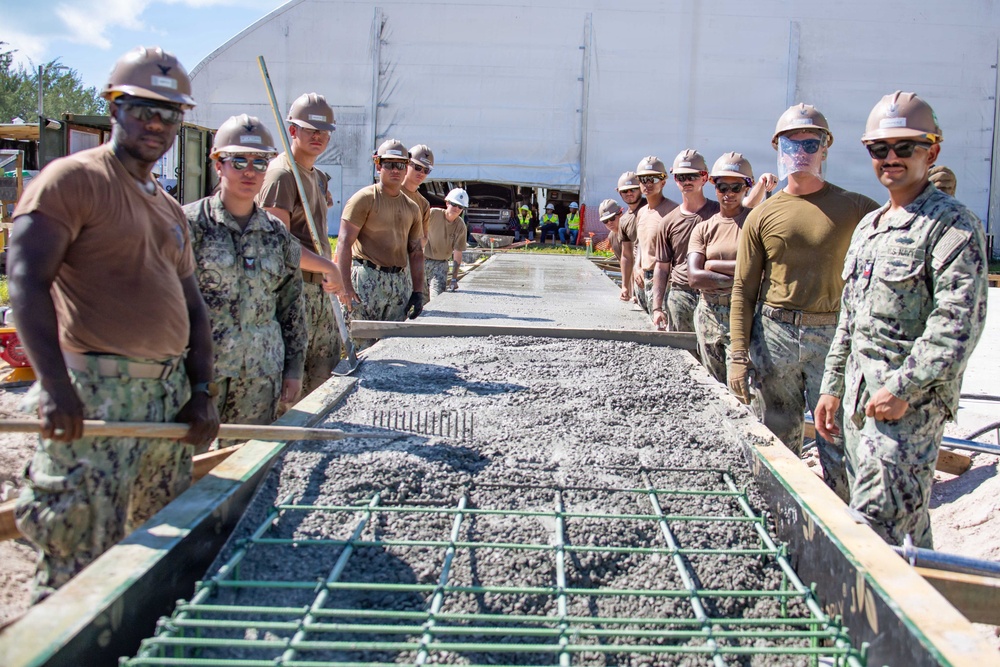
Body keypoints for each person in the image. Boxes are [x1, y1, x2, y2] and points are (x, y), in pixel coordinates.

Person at [7, 46, 219, 602]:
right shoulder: (71, 181)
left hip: (163, 399)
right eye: (140, 108)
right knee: (76, 551)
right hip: (95, 396)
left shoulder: (169, 208)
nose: (154, 123)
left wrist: (200, 391)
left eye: (168, 114)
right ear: (113, 109)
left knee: (150, 547)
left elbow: (193, 307)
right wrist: (54, 388)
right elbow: (27, 283)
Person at [814, 92, 988, 547]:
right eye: (879, 149)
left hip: (905, 414)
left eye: (904, 148)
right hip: (857, 406)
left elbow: (957, 325)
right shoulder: (870, 228)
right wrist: (832, 387)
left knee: (879, 531)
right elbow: (848, 319)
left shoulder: (952, 226)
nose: (890, 158)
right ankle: (929, 614)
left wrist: (902, 389)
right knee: (899, 531)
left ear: (932, 151)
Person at [729, 103, 879, 501]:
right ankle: (783, 518)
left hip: (832, 337)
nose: (801, 151)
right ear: (777, 147)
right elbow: (744, 290)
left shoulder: (858, 210)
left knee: (840, 438)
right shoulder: (762, 216)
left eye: (810, 143)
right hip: (775, 336)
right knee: (779, 437)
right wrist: (738, 355)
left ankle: (847, 524)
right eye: (792, 142)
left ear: (826, 148)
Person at [185, 114, 309, 424]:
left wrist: (293, 370)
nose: (250, 172)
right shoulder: (188, 225)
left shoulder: (279, 234)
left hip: (259, 378)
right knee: (191, 463)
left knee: (248, 460)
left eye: (260, 162)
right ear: (218, 164)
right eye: (239, 161)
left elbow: (292, 307)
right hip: (198, 377)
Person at [256, 92, 342, 395]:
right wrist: (327, 266)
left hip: (320, 291)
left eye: (324, 131)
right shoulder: (281, 174)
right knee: (290, 389)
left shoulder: (317, 177)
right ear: (292, 130)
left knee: (322, 380)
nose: (318, 136)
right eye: (310, 130)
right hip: (294, 289)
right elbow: (277, 243)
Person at [336, 139, 424, 335]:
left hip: (398, 284)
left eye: (400, 165)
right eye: (389, 164)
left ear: (406, 167)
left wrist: (418, 291)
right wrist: (345, 287)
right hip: (367, 281)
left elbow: (416, 252)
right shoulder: (364, 199)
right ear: (378, 165)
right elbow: (343, 243)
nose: (395, 170)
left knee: (391, 344)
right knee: (361, 341)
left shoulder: (412, 208)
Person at [688, 153, 755, 383]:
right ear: (713, 187)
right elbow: (695, 277)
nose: (728, 194)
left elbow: (763, 272)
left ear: (748, 186)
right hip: (708, 314)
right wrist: (743, 275)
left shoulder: (755, 223)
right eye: (722, 187)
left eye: (736, 187)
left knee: (744, 386)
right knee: (714, 386)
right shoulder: (704, 228)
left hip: (744, 315)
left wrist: (712, 264)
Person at [651, 150, 720, 332]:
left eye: (692, 176)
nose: (686, 181)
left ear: (704, 178)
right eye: (681, 176)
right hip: (681, 295)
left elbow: (748, 207)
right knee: (684, 352)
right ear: (675, 179)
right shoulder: (668, 222)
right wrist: (657, 307)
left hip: (716, 295)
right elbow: (662, 266)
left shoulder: (721, 214)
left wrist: (762, 186)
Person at [632, 156, 679, 320]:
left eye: (653, 179)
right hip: (641, 279)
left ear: (663, 182)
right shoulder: (642, 212)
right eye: (643, 179)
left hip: (662, 281)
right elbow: (640, 245)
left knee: (661, 325)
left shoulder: (673, 212)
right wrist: (636, 267)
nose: (648, 184)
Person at [424, 188, 469, 298]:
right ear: (447, 202)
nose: (456, 208)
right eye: (454, 204)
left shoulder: (460, 226)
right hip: (422, 261)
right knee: (420, 300)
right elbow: (415, 230)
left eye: (460, 207)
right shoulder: (433, 214)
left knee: (436, 298)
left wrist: (454, 279)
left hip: (440, 265)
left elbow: (458, 252)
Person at [616, 171, 643, 303]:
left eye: (633, 189)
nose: (629, 193)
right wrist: (625, 286)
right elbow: (626, 255)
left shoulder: (653, 209)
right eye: (625, 191)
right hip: (639, 277)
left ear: (641, 189)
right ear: (618, 192)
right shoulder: (624, 220)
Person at [402, 144, 433, 240]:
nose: (421, 173)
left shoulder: (424, 204)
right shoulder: (390, 192)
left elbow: (423, 238)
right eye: (418, 167)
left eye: (426, 170)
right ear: (407, 164)